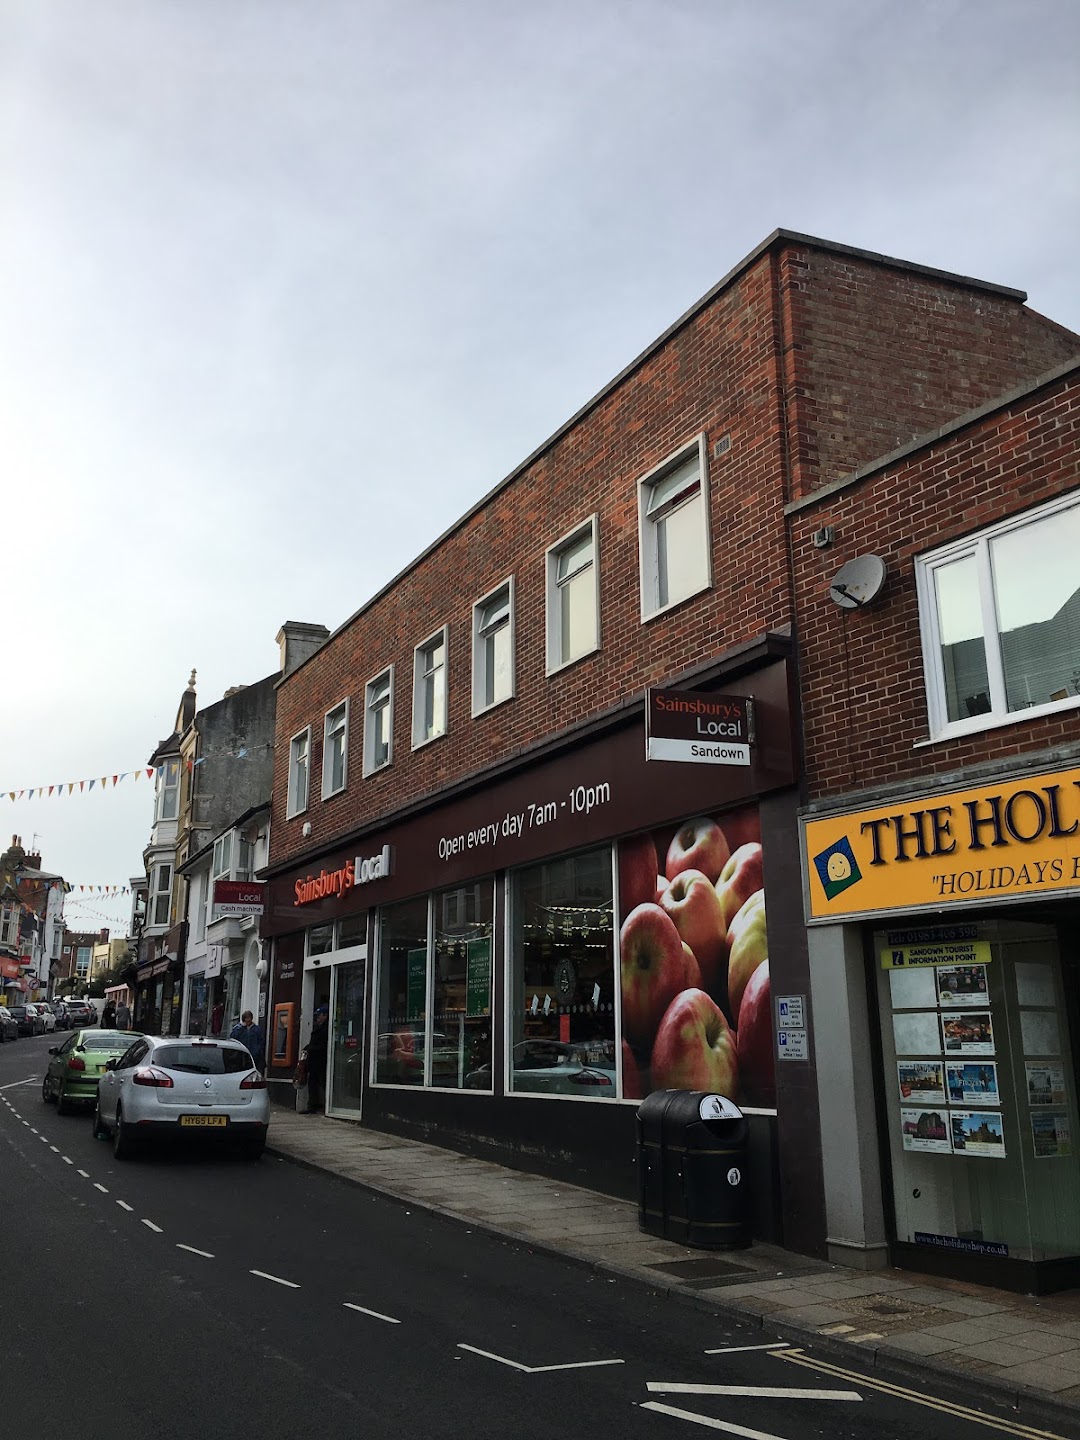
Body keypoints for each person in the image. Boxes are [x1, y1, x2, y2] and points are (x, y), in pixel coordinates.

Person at [302, 1004, 330, 1114]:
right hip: (314, 1061)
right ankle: (312, 1105)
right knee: (312, 1083)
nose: (317, 1018)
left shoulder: (326, 1029)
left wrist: (311, 1048)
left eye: (319, 1015)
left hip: (321, 1060)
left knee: (323, 1082)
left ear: (325, 1015)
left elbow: (324, 1045)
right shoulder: (318, 1027)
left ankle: (325, 1105)